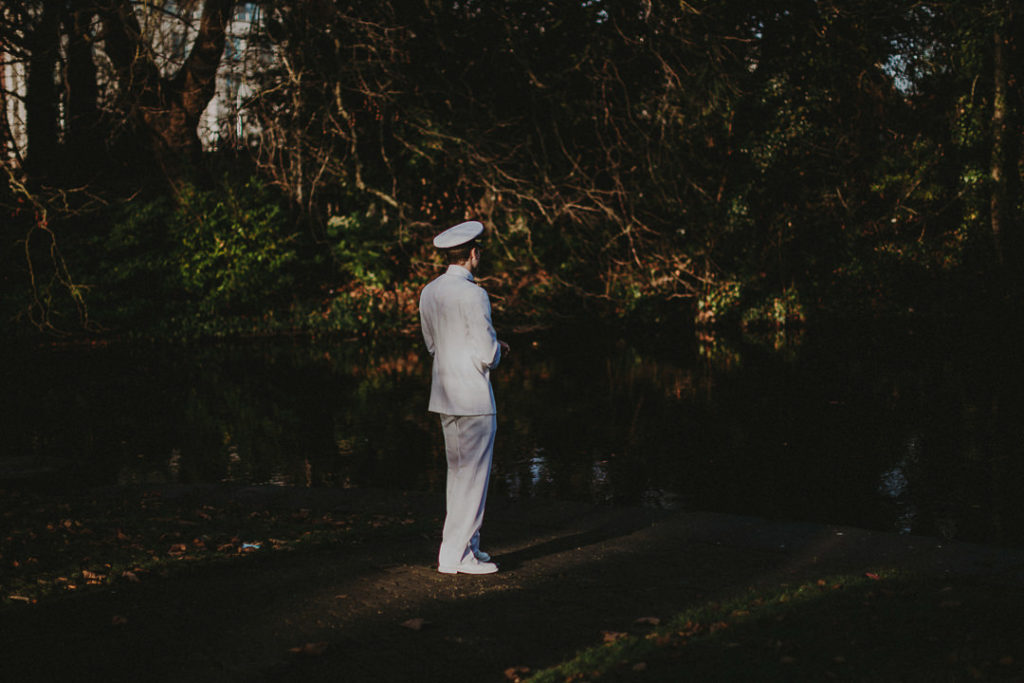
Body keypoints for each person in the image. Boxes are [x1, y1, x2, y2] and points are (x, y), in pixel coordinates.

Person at [419, 220, 510, 575]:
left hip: (444, 396)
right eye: (479, 251)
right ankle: (459, 556)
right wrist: (501, 348)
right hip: (474, 399)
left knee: (457, 477)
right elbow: (487, 353)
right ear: (472, 253)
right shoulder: (475, 294)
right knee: (473, 479)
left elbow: (431, 345)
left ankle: (459, 549)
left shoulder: (429, 291)